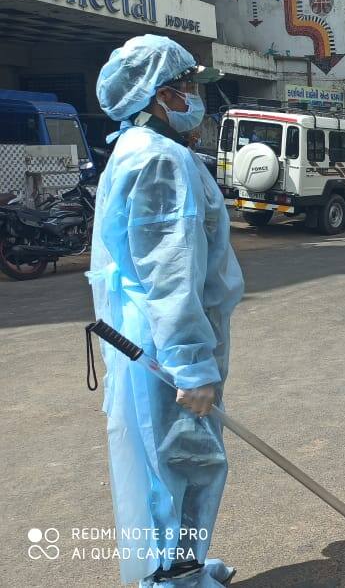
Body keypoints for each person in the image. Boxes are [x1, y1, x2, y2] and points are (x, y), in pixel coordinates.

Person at [89, 35, 243, 587]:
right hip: (166, 341)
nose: (191, 99)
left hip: (147, 336)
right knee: (185, 464)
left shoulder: (132, 151)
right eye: (181, 88)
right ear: (155, 98)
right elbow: (169, 267)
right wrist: (191, 362)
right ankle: (176, 580)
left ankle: (183, 569)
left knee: (168, 466)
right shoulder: (161, 160)